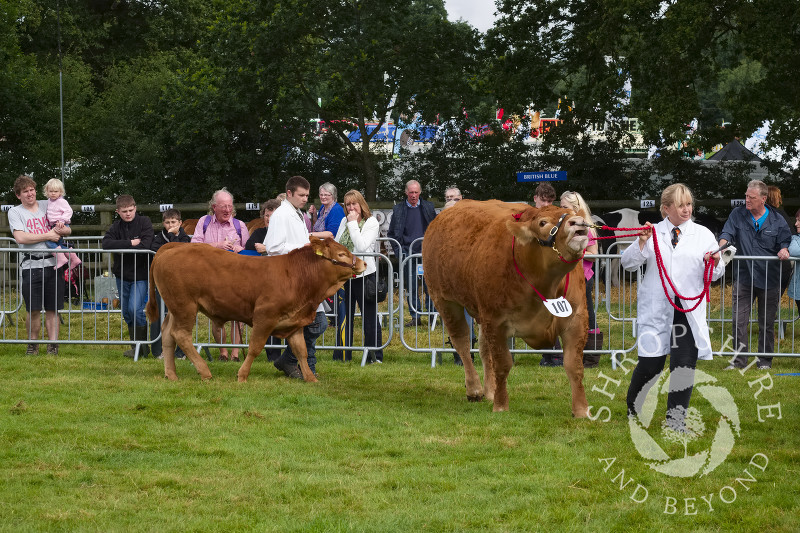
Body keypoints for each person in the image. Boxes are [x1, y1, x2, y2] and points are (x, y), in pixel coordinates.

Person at [622, 184, 725, 428]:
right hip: (658, 307)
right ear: (666, 208)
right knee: (651, 364)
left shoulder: (703, 235)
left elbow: (715, 275)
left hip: (687, 310)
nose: (686, 209)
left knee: (683, 365)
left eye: (689, 204)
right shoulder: (652, 233)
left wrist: (716, 262)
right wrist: (640, 242)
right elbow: (627, 263)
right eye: (680, 205)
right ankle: (633, 410)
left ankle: (675, 419)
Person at [719, 179, 792, 370]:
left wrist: (784, 250)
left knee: (766, 323)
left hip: (770, 279)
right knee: (738, 321)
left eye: (751, 197)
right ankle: (738, 361)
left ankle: (765, 361)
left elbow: (785, 241)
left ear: (763, 199)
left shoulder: (777, 220)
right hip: (743, 277)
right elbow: (726, 234)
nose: (747, 200)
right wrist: (720, 248)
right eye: (746, 196)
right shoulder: (738, 214)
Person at [265, 175, 328, 378]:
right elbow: (273, 248)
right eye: (301, 195)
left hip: (302, 276)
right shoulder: (281, 215)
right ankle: (301, 365)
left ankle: (295, 362)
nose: (305, 199)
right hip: (290, 277)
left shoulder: (298, 213)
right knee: (314, 322)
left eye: (307, 195)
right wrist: (304, 248)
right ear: (289, 193)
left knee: (315, 322)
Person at [8, 175, 71, 355]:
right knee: (33, 309)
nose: (30, 194)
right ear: (18, 195)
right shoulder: (15, 212)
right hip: (31, 264)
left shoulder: (49, 203)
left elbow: (68, 228)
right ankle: (32, 344)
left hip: (54, 263)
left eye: (31, 190)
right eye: (25, 191)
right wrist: (49, 236)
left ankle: (53, 345)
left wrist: (62, 229)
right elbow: (20, 237)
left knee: (53, 308)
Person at [191, 188, 250, 361]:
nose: (227, 210)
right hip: (211, 277)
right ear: (214, 207)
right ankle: (223, 353)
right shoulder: (204, 222)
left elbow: (249, 252)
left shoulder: (240, 226)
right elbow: (194, 246)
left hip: (236, 278)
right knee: (216, 316)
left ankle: (235, 354)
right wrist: (217, 245)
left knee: (238, 317)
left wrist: (239, 249)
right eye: (223, 206)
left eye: (229, 206)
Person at [332, 190, 383, 363]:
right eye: (348, 204)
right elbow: (338, 244)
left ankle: (373, 355)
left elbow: (361, 246)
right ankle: (342, 355)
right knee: (344, 316)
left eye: (354, 203)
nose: (351, 207)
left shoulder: (371, 222)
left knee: (369, 316)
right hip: (345, 275)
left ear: (361, 205)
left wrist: (353, 224)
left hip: (365, 275)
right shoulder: (343, 220)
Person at [102, 194, 154, 358]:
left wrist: (122, 247)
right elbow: (106, 244)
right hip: (122, 275)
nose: (128, 214)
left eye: (131, 210)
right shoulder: (116, 227)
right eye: (124, 211)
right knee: (126, 312)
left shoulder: (144, 222)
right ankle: (137, 348)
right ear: (118, 211)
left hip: (141, 275)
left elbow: (146, 244)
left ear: (135, 208)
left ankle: (142, 348)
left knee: (135, 310)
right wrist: (131, 243)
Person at [560, 190, 602, 367]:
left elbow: (594, 255)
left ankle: (591, 356)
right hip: (567, 277)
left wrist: (575, 252)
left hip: (583, 277)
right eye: (560, 207)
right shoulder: (563, 226)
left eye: (565, 207)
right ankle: (572, 354)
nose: (561, 210)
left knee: (586, 315)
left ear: (576, 208)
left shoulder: (586, 227)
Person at [387, 179, 437, 326]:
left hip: (427, 254)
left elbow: (435, 229)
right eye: (411, 192)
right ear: (406, 192)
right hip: (408, 254)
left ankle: (432, 316)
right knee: (411, 287)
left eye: (416, 192)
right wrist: (399, 251)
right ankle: (415, 317)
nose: (413, 195)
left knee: (430, 286)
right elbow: (391, 233)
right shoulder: (398, 209)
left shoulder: (428, 207)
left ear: (420, 192)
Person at [243, 198, 282, 361]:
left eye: (272, 215)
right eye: (266, 215)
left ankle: (281, 353)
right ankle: (270, 354)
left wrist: (267, 249)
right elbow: (249, 246)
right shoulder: (259, 232)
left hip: (279, 279)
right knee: (265, 316)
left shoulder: (282, 234)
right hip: (263, 281)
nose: (268, 218)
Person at [149, 208, 191, 359]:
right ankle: (157, 350)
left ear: (180, 223)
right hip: (162, 284)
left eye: (173, 222)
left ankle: (181, 352)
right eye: (167, 222)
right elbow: (157, 252)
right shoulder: (158, 238)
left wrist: (173, 237)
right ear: (163, 223)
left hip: (181, 284)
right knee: (159, 316)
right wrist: (171, 237)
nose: (170, 225)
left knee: (180, 316)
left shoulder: (186, 238)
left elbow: (179, 253)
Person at [42, 178, 72, 249]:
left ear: (60, 192)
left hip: (61, 224)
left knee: (49, 242)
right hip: (54, 225)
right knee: (58, 244)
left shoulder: (61, 201)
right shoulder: (48, 201)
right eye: (51, 191)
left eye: (56, 191)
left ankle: (61, 255)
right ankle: (70, 253)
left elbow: (69, 211)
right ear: (47, 191)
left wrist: (62, 220)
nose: (53, 193)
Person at [786, 209, 800, 319]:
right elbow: (794, 251)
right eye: (796, 220)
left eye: (799, 220)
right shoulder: (795, 238)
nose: (796, 224)